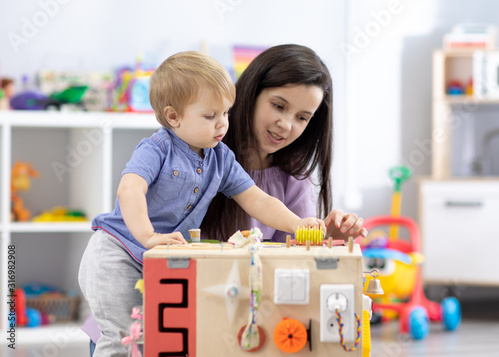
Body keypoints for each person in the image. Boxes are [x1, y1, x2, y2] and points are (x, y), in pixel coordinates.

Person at [78, 51, 325, 356]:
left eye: (226, 113)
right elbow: (129, 190)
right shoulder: (157, 148)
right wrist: (148, 237)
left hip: (158, 263)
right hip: (119, 253)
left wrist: (296, 224)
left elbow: (257, 200)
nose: (222, 124)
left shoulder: (221, 157)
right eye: (211, 116)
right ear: (173, 117)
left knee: (155, 339)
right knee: (124, 338)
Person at [201, 44, 367, 242]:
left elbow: (292, 259)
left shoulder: (293, 176)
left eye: (302, 117)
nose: (286, 125)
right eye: (278, 106)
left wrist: (326, 238)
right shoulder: (200, 155)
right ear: (251, 93)